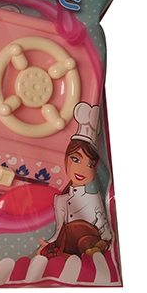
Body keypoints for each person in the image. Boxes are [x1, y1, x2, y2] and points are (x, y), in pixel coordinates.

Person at [40, 102, 112, 259]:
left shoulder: (94, 199)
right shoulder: (60, 200)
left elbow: (105, 231)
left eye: (90, 164)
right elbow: (58, 231)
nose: (82, 169)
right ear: (66, 159)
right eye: (76, 159)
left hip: (89, 252)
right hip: (65, 250)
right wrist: (49, 245)